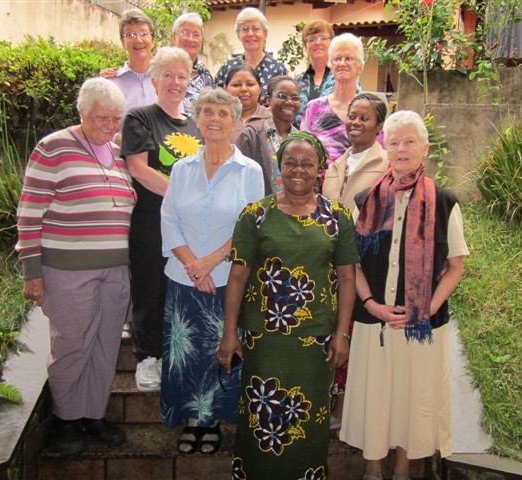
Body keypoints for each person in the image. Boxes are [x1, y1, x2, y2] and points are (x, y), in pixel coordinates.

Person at [218, 131, 360, 479]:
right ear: (279, 168)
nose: (298, 169)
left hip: (315, 343)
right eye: (290, 162)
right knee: (259, 416)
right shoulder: (255, 215)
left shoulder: (337, 217)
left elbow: (347, 279)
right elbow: (237, 277)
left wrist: (342, 333)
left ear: (319, 169)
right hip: (265, 340)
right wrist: (229, 333)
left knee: (308, 421)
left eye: (307, 163)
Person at [339, 111, 469, 480]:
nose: (401, 149)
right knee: (376, 397)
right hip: (374, 323)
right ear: (385, 147)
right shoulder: (364, 200)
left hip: (422, 325)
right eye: (394, 141)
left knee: (413, 401)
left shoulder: (445, 202)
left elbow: (456, 266)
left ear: (424, 148)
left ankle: (402, 469)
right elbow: (352, 264)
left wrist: (424, 308)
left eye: (410, 141)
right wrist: (371, 305)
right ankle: (372, 469)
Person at [16, 78, 136, 455]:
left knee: (104, 344)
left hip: (116, 269)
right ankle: (66, 420)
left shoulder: (118, 154)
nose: (110, 126)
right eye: (102, 118)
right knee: (71, 344)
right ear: (81, 113)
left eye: (116, 118)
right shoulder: (53, 148)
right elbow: (29, 212)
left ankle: (93, 415)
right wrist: (31, 270)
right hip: (67, 270)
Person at [160, 87, 264, 455]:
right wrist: (193, 264)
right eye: (207, 111)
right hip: (183, 277)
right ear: (197, 119)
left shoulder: (249, 171)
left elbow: (251, 226)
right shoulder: (181, 168)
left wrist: (211, 261)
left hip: (226, 280)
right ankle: (191, 420)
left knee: (220, 350)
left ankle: (212, 420)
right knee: (186, 352)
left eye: (223, 113)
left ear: (236, 123)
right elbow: (169, 218)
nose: (214, 118)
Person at [121, 47, 200, 393]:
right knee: (150, 285)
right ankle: (148, 357)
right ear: (154, 80)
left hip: (190, 226)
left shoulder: (197, 125)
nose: (175, 82)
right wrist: (183, 196)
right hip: (152, 220)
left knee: (179, 288)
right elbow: (138, 168)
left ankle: (176, 353)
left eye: (182, 76)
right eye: (168, 74)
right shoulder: (140, 117)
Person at [322, 92, 388, 429]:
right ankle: (326, 400)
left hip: (365, 264)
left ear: (379, 125)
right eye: (352, 115)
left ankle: (344, 408)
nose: (356, 122)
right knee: (332, 328)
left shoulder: (387, 164)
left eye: (365, 117)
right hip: (328, 264)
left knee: (353, 333)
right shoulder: (335, 164)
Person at [301, 33, 380, 170]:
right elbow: (303, 149)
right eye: (337, 59)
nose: (342, 63)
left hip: (361, 184)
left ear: (360, 67)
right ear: (331, 66)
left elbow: (380, 153)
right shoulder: (314, 108)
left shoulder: (372, 109)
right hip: (322, 184)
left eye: (349, 59)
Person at [235, 75, 301, 195]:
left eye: (295, 98)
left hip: (294, 211)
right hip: (259, 210)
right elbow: (239, 181)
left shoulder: (301, 140)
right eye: (282, 96)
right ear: (269, 99)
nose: (290, 101)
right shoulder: (251, 135)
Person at [214, 7, 287, 102]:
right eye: (245, 29)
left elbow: (283, 103)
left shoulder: (278, 70)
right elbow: (215, 99)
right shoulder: (227, 67)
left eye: (255, 29)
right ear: (238, 35)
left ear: (265, 34)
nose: (250, 34)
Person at [103, 9, 157, 118]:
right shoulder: (110, 84)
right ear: (123, 42)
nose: (138, 40)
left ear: (153, 39)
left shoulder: (166, 79)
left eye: (143, 34)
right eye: (131, 35)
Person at [170, 12, 215, 114]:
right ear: (173, 37)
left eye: (196, 35)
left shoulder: (206, 77)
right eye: (185, 33)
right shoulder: (161, 69)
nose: (191, 39)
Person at [294, 20, 335, 128]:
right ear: (305, 45)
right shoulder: (297, 81)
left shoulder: (343, 78)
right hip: (299, 141)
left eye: (323, 38)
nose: (318, 42)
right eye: (311, 39)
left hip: (334, 142)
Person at [224, 65, 270, 143]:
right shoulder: (218, 119)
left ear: (260, 89)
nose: (244, 89)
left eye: (250, 84)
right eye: (236, 85)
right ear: (225, 89)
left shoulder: (271, 119)